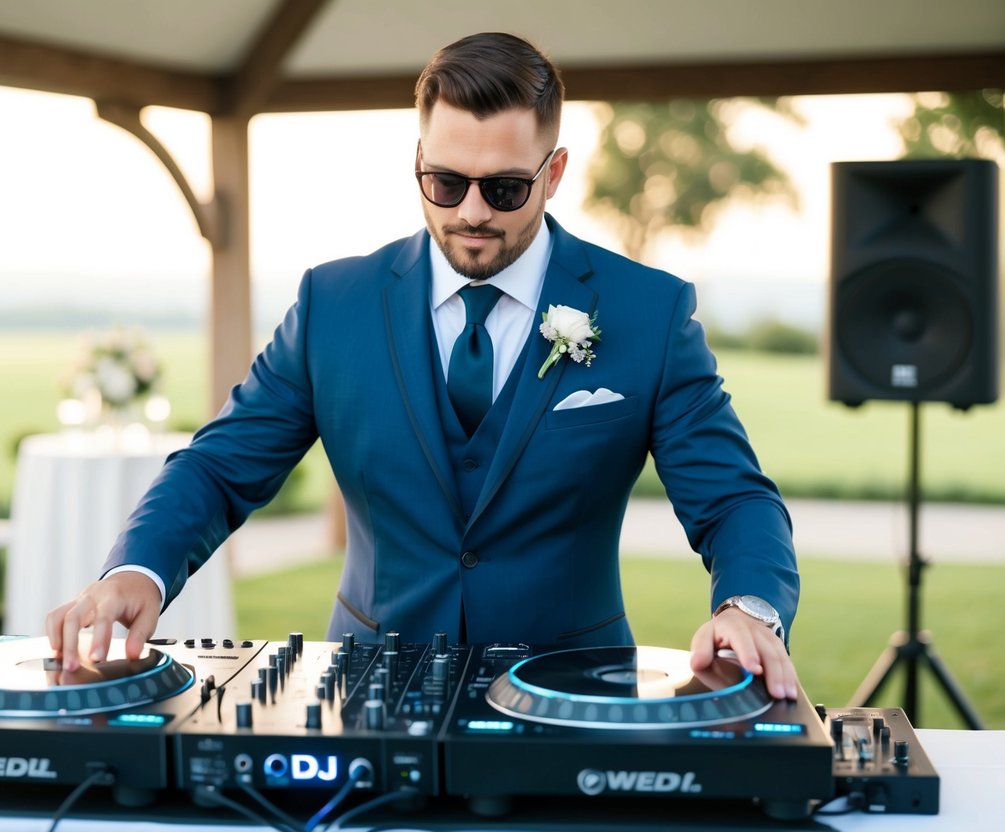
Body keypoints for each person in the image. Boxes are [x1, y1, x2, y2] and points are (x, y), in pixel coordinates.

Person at [47, 32, 800, 700]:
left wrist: (747, 607)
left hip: (575, 690)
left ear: (555, 170)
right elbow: (219, 468)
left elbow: (732, 498)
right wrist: (135, 572)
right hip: (367, 683)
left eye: (504, 188)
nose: (471, 212)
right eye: (444, 182)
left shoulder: (648, 312)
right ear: (416, 161)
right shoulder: (332, 304)